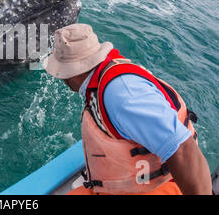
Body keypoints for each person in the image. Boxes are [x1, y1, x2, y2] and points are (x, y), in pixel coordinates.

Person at [44, 23, 212, 195]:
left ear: (73, 72)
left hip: (157, 187)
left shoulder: (122, 94)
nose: (62, 79)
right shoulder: (103, 78)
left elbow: (183, 149)